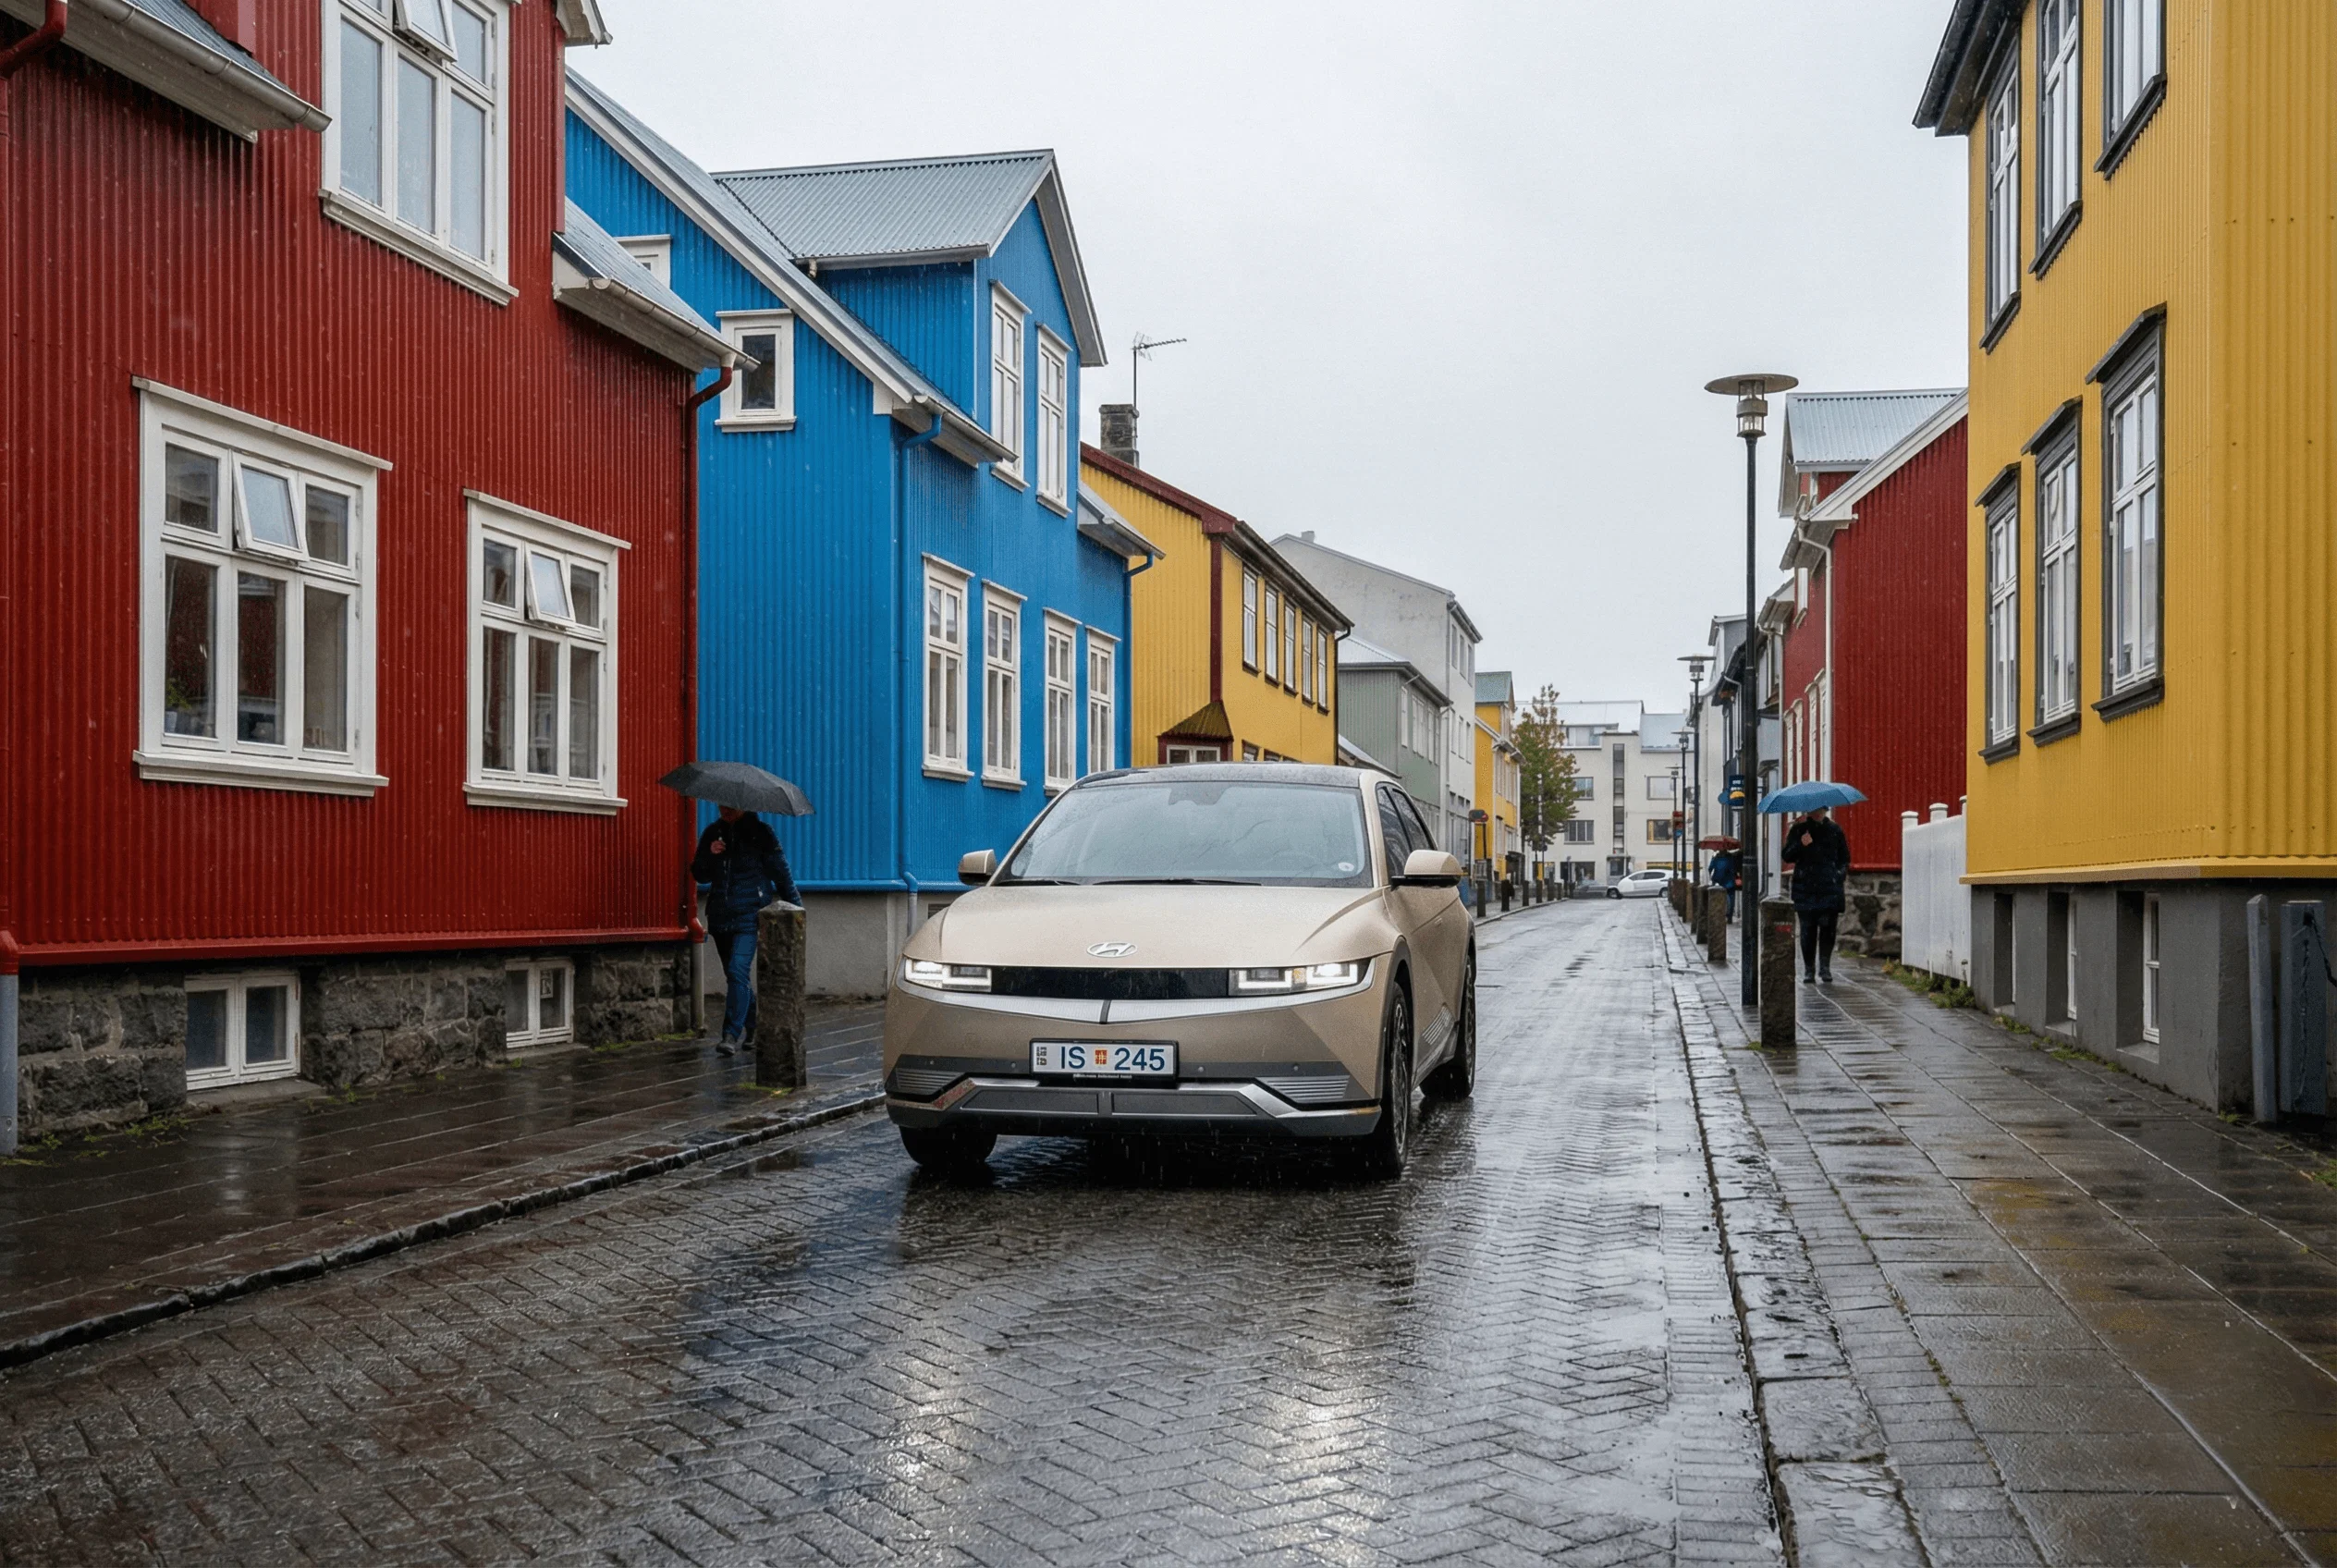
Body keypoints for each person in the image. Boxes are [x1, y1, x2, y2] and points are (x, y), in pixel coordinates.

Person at [691, 804, 801, 1054]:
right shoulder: (713, 833)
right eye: (721, 805)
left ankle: (730, 1034)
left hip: (750, 913)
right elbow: (699, 873)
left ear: (743, 805)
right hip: (720, 914)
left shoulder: (761, 833)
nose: (724, 809)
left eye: (730, 806)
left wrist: (796, 908)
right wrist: (710, 854)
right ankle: (755, 1026)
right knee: (735, 977)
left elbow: (781, 873)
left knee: (737, 969)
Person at [1780, 807, 1851, 983]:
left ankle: (1825, 967)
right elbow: (1787, 856)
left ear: (1825, 811)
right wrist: (1800, 845)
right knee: (1807, 929)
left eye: (1821, 810)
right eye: (1814, 810)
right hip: (1805, 886)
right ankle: (1809, 969)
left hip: (1829, 886)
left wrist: (1838, 875)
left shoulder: (1835, 830)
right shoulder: (1798, 830)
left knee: (1828, 928)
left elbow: (1844, 857)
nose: (1818, 813)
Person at [1708, 847, 1740, 920]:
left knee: (1718, 898)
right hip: (1730, 881)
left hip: (1718, 882)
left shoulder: (1716, 858)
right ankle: (1730, 916)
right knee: (1731, 898)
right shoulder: (1731, 857)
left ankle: (1719, 915)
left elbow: (1710, 868)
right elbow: (1734, 868)